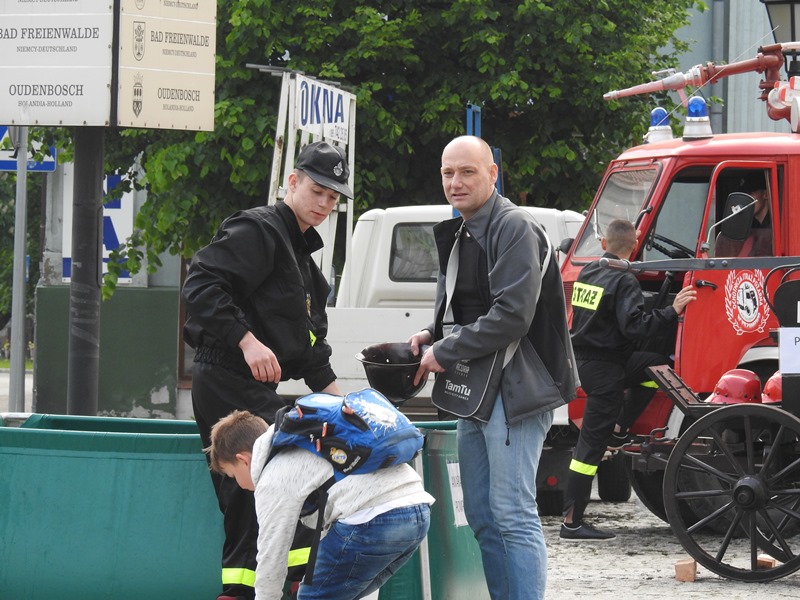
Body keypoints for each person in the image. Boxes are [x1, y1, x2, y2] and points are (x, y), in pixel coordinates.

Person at [408, 135, 579, 600]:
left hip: (518, 390)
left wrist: (445, 352)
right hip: (479, 390)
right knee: (482, 515)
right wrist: (430, 334)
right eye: (448, 173)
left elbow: (512, 315)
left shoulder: (513, 226)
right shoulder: (463, 230)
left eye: (467, 172)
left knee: (511, 511)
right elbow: (469, 308)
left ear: (492, 174)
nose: (456, 182)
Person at [182, 141, 350, 600]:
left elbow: (311, 352)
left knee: (271, 490)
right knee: (269, 482)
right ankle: (254, 591)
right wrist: (246, 340)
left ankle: (282, 587)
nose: (324, 203)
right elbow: (201, 284)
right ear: (292, 182)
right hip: (225, 376)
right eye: (317, 190)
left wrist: (348, 408)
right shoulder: (258, 229)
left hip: (251, 384)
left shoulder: (305, 265)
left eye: (333, 197)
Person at [561, 219, 696, 540]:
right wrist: (672, 311)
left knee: (656, 365)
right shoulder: (625, 281)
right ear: (635, 248)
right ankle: (571, 522)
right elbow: (635, 328)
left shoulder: (589, 272)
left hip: (586, 362)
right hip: (605, 370)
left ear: (603, 244)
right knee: (589, 449)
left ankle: (620, 428)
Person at [206, 410, 434, 600]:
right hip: (417, 510)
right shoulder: (304, 443)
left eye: (233, 475)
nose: (239, 484)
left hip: (373, 517)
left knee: (310, 597)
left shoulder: (272, 478)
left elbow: (271, 555)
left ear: (243, 460)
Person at [715, 171, 772, 257]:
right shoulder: (748, 227)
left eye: (750, 194)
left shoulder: (772, 229)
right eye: (744, 196)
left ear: (766, 194)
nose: (745, 201)